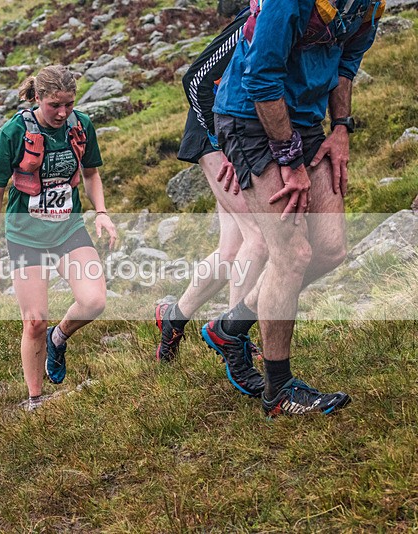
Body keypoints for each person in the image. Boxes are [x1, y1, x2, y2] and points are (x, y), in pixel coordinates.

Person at [212, 0, 385, 416]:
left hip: (305, 118)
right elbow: (261, 77)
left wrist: (341, 127)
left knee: (328, 249)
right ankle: (278, 390)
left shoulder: (369, 5)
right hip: (251, 115)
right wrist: (289, 161)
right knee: (292, 255)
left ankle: (231, 328)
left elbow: (347, 63)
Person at [0, 65, 117, 411]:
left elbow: (91, 174)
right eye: (55, 105)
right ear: (38, 97)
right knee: (34, 321)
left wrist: (101, 212)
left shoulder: (81, 126)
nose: (63, 112)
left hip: (68, 227)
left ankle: (60, 338)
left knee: (94, 302)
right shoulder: (12, 133)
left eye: (69, 104)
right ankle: (36, 399)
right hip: (26, 235)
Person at [155, 8, 270, 399]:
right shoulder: (262, 14)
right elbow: (195, 78)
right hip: (218, 133)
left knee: (232, 248)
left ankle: (174, 319)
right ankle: (234, 342)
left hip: (246, 127)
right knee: (259, 239)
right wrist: (222, 146)